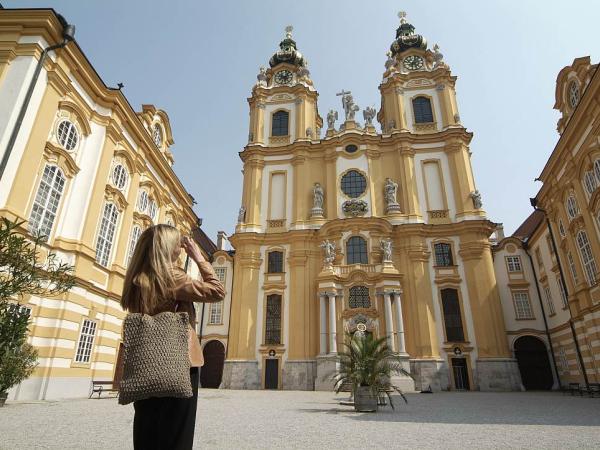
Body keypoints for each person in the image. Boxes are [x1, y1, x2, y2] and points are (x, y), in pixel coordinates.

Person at [121, 224, 225, 450]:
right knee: (177, 435)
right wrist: (199, 257)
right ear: (167, 246)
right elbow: (217, 291)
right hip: (178, 361)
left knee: (147, 430)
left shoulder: (137, 278)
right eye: (178, 242)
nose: (181, 246)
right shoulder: (172, 276)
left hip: (146, 363)